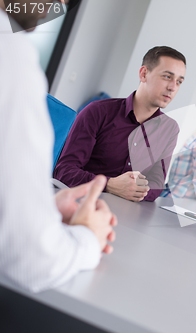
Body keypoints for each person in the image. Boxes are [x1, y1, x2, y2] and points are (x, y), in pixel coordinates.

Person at [0, 0, 116, 293]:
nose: (60, 6)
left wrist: (38, 209)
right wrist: (88, 236)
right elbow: (31, 260)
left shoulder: (167, 129)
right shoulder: (11, 57)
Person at [54, 46, 185, 202]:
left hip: (128, 214)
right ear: (143, 74)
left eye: (179, 81)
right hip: (83, 203)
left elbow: (156, 184)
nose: (172, 87)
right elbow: (64, 171)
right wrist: (110, 184)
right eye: (167, 77)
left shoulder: (169, 129)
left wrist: (135, 189)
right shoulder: (98, 111)